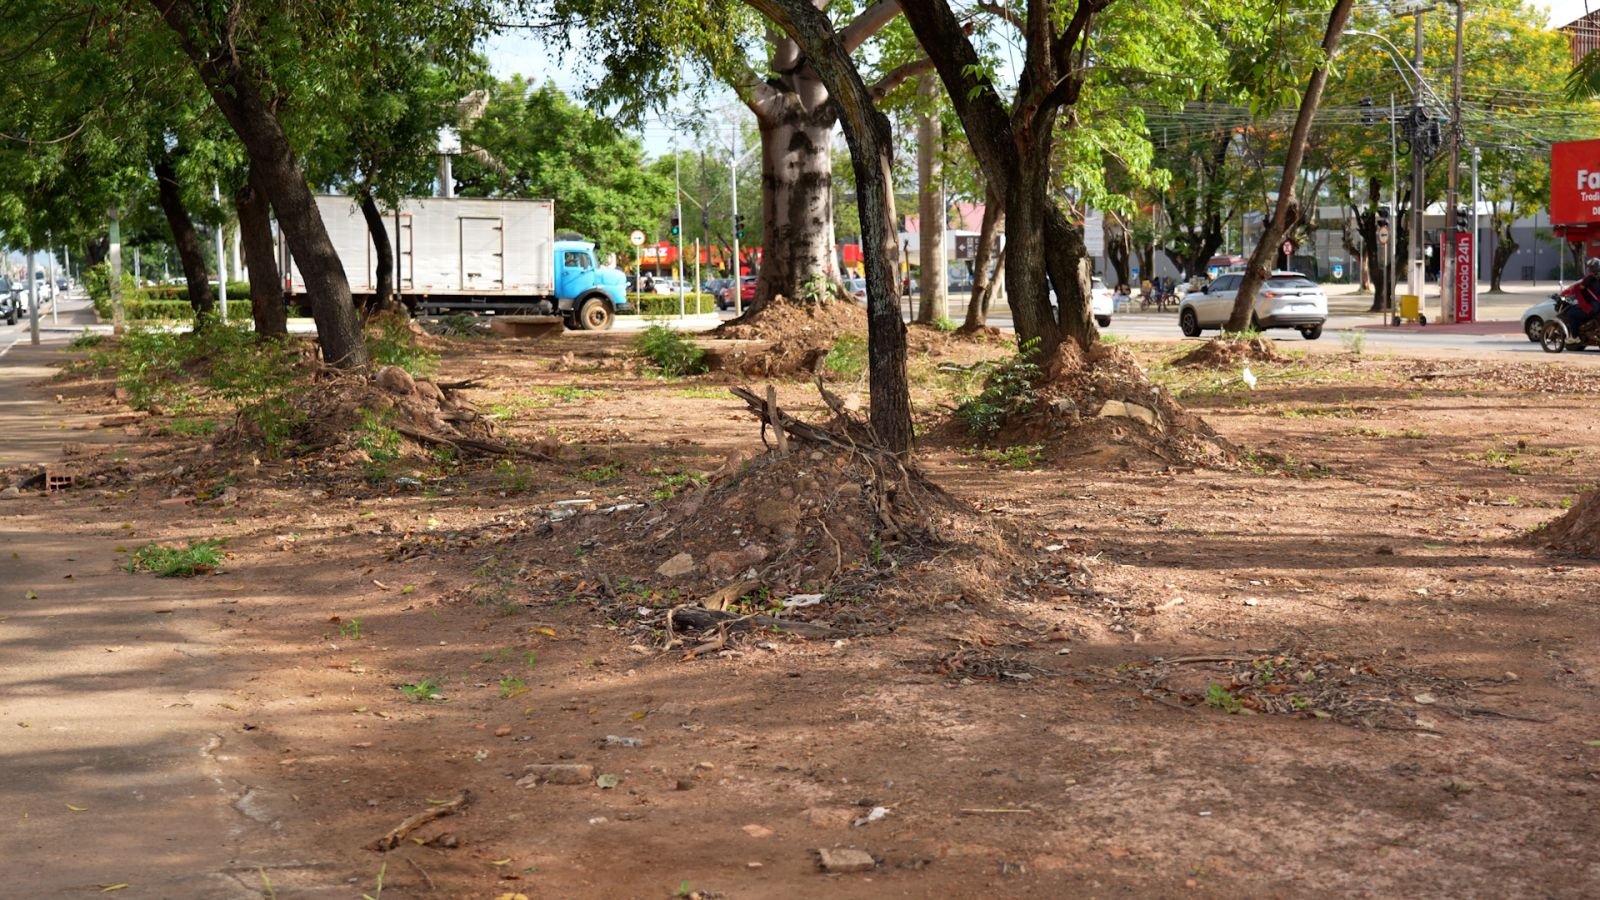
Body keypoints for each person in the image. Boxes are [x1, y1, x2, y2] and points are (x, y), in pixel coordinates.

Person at [1559, 257, 1600, 339]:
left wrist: (1564, 293)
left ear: (1592, 269)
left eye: (1589, 268)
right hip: (1598, 307)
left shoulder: (1588, 279)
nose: (1588, 270)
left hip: (1591, 307)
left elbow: (1576, 288)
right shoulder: (1597, 279)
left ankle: (1575, 337)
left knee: (1571, 313)